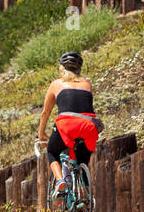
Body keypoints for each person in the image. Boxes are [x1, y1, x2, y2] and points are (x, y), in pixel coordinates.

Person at [35, 51, 103, 201]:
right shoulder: (87, 84)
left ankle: (60, 182)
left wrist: (41, 135)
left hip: (66, 125)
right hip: (88, 126)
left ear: (61, 68)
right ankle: (85, 194)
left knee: (52, 151)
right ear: (79, 69)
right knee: (82, 160)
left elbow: (45, 112)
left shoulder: (56, 84)